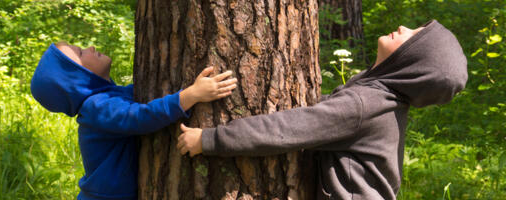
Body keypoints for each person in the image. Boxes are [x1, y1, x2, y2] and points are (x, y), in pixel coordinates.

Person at [177, 19, 467, 199]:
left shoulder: (364, 105)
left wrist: (209, 139)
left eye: (413, 37)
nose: (404, 27)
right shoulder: (376, 101)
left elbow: (286, 128)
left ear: (411, 63)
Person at [30, 42, 237, 200]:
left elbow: (139, 101)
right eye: (82, 53)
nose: (91, 47)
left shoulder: (106, 98)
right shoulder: (97, 108)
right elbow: (140, 117)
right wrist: (191, 95)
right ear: (78, 80)